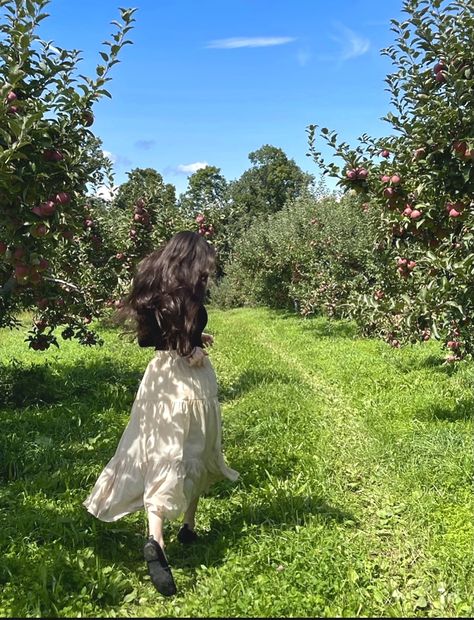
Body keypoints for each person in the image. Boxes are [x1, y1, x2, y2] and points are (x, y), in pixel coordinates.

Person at [83, 231, 239, 597]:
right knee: (195, 448)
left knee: (162, 451)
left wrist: (196, 340)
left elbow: (153, 340)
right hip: (189, 383)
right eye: (204, 267)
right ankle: (188, 525)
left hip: (157, 380)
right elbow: (184, 343)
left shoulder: (156, 296)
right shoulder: (188, 297)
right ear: (191, 261)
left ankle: (159, 537)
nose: (206, 274)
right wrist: (192, 351)